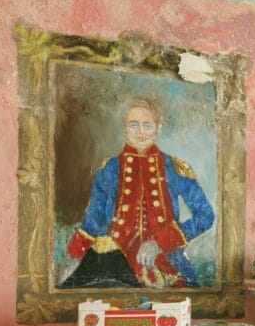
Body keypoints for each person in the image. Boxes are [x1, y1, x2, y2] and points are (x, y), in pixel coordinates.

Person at [59, 97, 214, 288]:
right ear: (125, 128)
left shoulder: (173, 168)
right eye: (133, 125)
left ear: (158, 129)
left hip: (164, 261)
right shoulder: (109, 169)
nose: (140, 132)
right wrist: (76, 259)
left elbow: (206, 215)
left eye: (147, 126)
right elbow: (94, 218)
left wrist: (161, 242)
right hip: (114, 259)